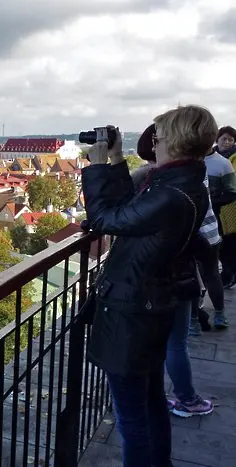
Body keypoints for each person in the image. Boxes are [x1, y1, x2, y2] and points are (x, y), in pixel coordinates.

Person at [82, 105, 217, 467]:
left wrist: (95, 167)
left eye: (157, 139)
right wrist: (115, 162)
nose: (152, 146)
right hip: (149, 308)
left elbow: (105, 219)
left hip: (132, 314)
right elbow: (131, 212)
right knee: (151, 401)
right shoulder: (179, 183)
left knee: (131, 418)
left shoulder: (170, 194)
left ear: (174, 141)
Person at [133, 124, 215, 418]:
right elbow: (207, 233)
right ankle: (186, 398)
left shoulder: (143, 182)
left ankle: (160, 396)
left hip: (146, 278)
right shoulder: (186, 183)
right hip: (178, 276)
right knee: (175, 342)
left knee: (156, 342)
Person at [204, 126, 236, 297]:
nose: (227, 142)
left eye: (231, 139)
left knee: (227, 244)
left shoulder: (227, 161)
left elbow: (232, 191)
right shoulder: (202, 159)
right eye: (224, 138)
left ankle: (228, 274)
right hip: (208, 212)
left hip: (226, 211)